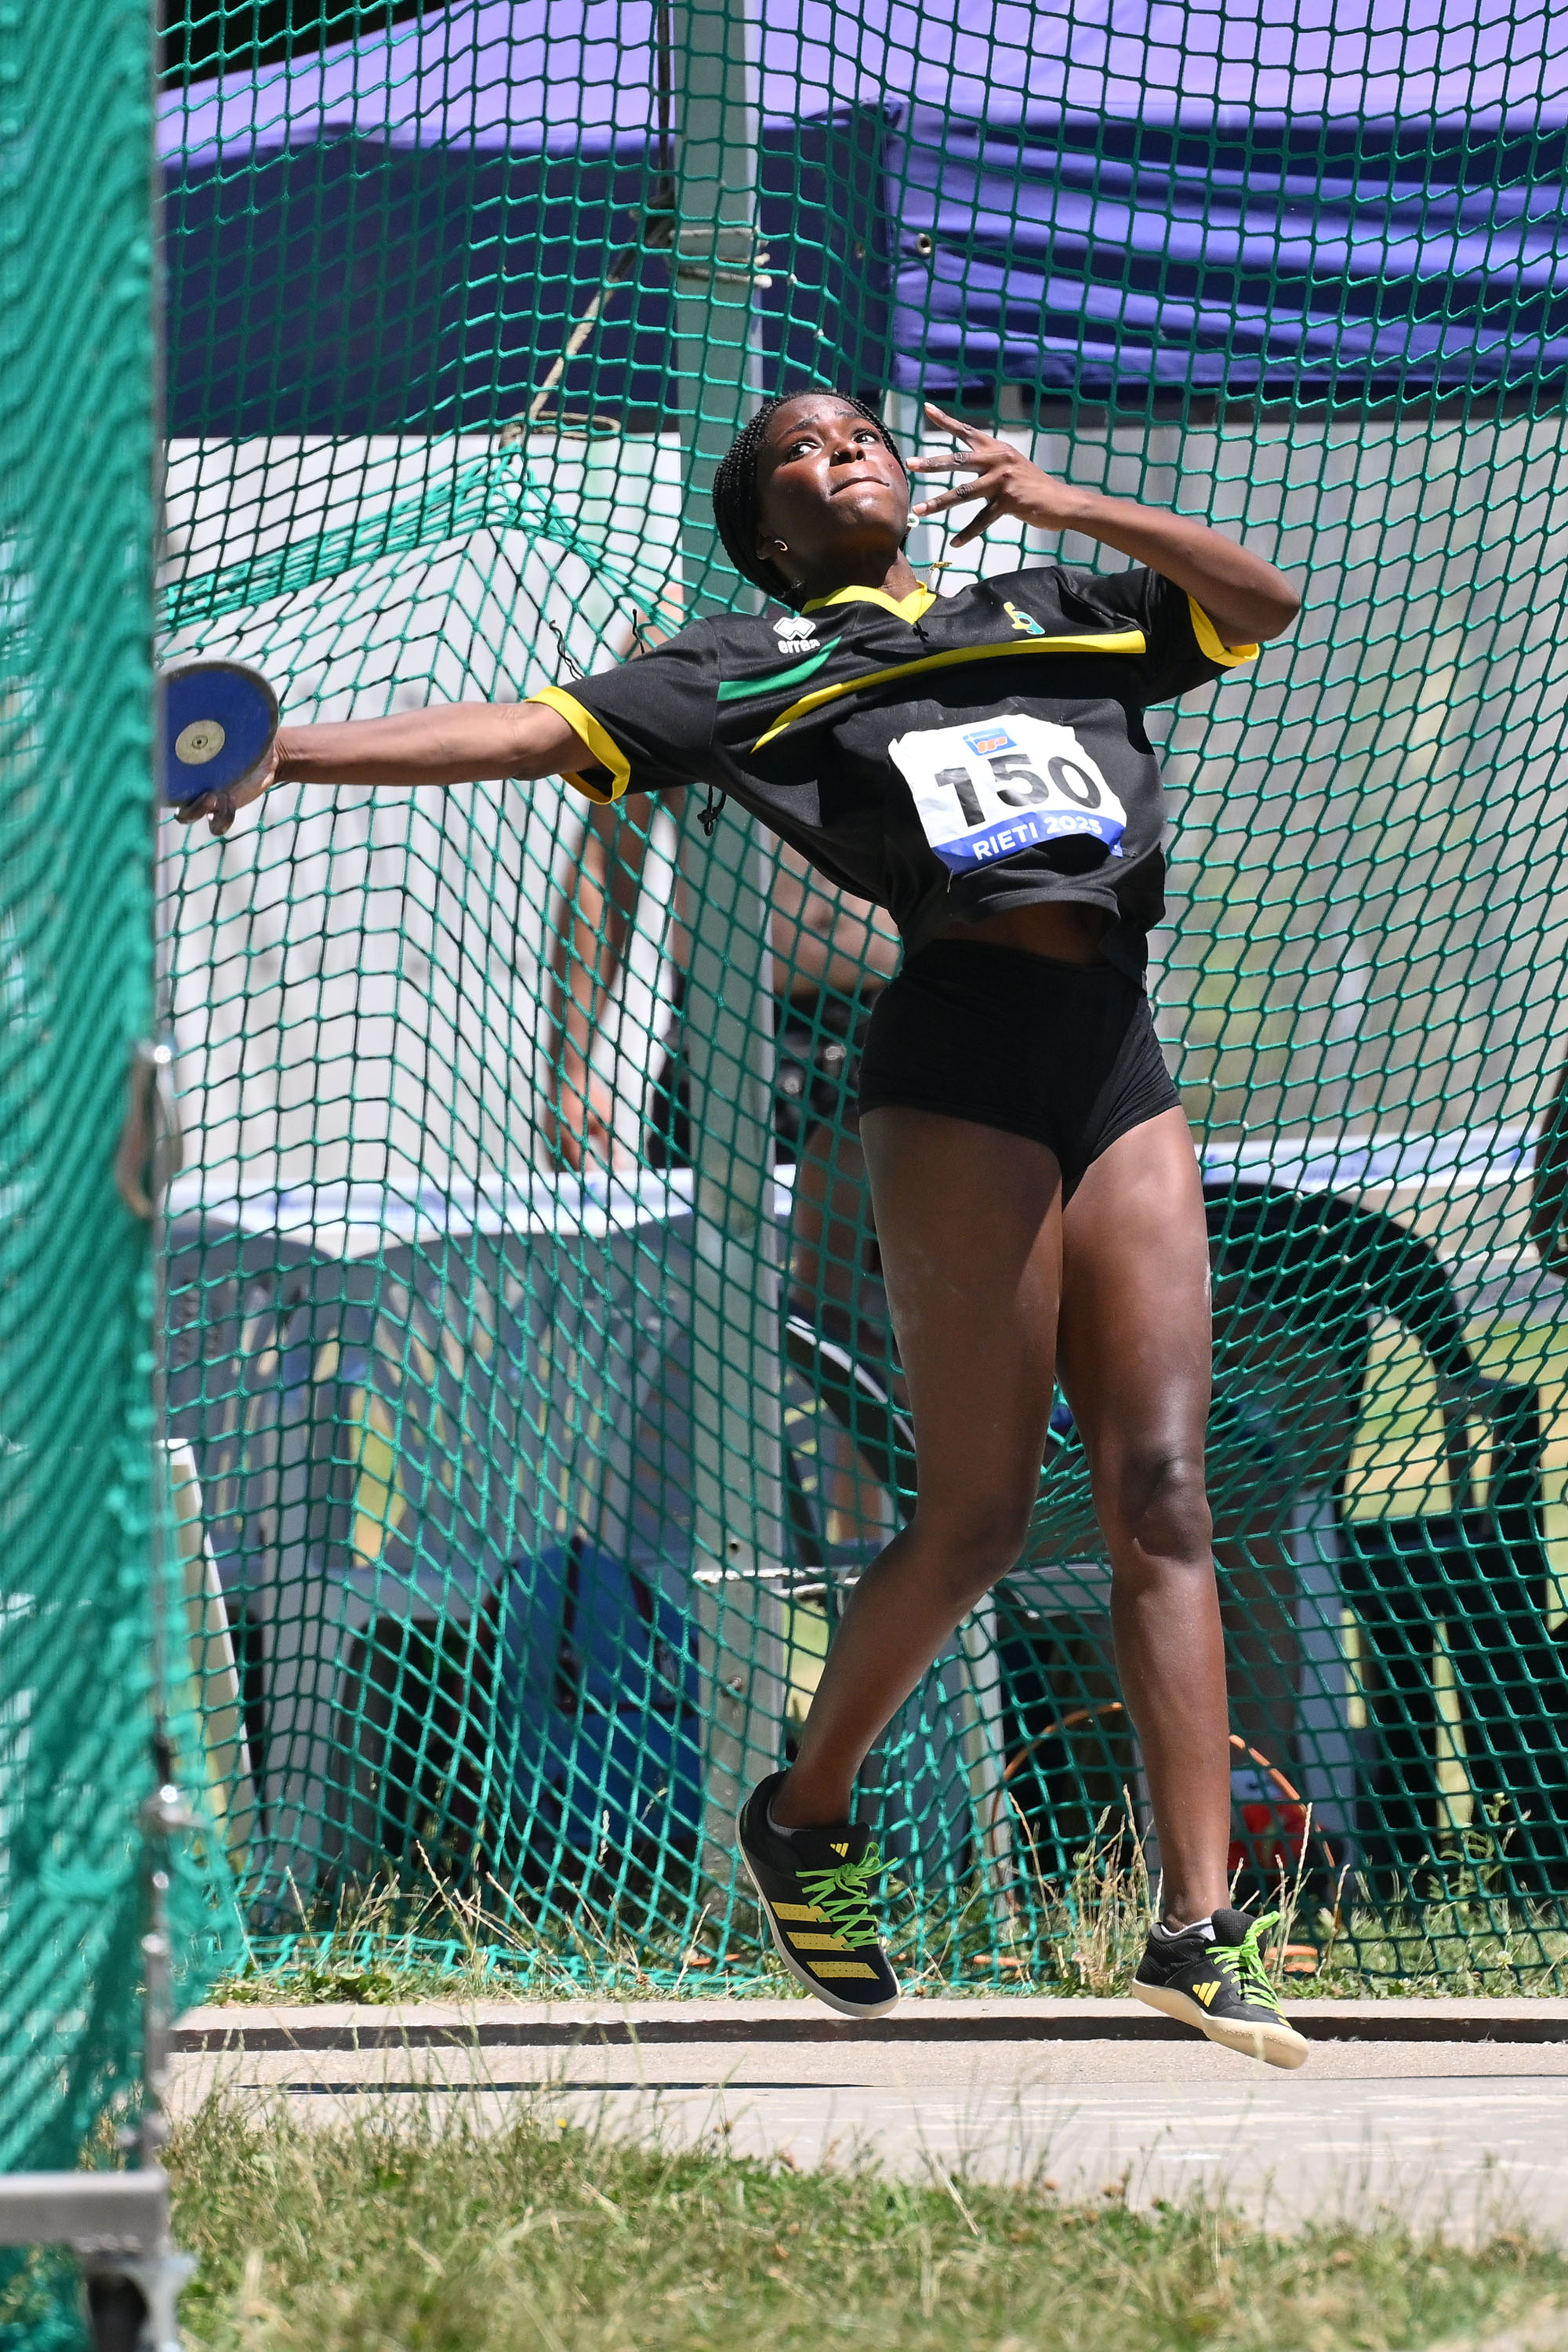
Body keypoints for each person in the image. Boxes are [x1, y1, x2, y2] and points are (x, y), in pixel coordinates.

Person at [180, 390, 1305, 2065]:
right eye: (799, 452)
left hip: (1115, 1053)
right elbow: (524, 734)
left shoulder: (1053, 604)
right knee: (979, 1515)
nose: (844, 452)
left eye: (862, 436)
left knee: (1165, 1491)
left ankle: (1196, 1930)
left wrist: (1068, 501)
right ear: (765, 536)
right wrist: (292, 750)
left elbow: (1262, 600)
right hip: (956, 1066)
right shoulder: (739, 667)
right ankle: (804, 1809)